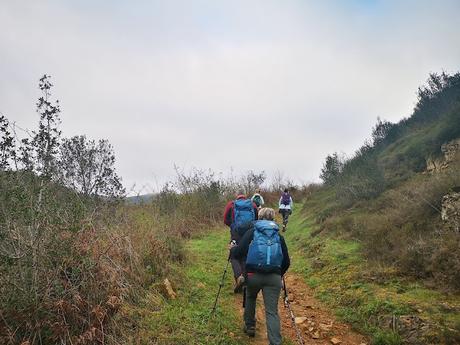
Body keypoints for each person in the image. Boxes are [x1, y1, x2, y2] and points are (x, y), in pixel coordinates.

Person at [230, 208, 290, 345]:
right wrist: (278, 274)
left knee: (251, 297)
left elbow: (238, 252)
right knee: (272, 311)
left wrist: (232, 249)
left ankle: (250, 325)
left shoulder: (252, 232)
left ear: (259, 217)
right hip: (274, 277)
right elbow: (286, 262)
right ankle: (275, 342)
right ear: (273, 219)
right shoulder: (279, 237)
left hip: (253, 275)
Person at [223, 193, 258, 293]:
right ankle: (245, 278)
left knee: (234, 254)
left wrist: (233, 226)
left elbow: (225, 220)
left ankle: (239, 276)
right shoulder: (252, 205)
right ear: (245, 198)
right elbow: (256, 219)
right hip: (249, 232)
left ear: (237, 197)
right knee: (246, 254)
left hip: (236, 233)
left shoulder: (231, 204)